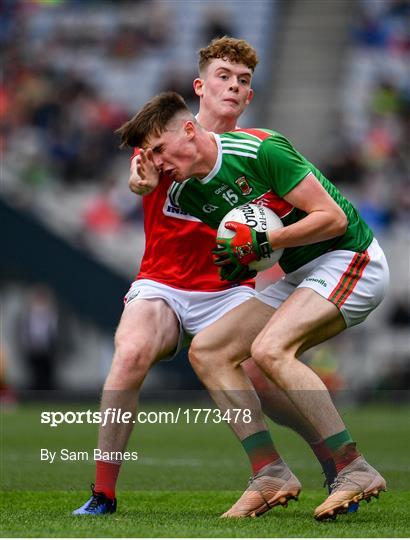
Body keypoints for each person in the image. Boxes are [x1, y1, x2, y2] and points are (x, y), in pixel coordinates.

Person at [74, 37, 337, 517]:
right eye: (223, 77)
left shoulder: (256, 152)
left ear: (249, 96)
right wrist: (137, 183)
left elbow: (277, 221)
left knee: (267, 377)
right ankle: (102, 494)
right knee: (130, 353)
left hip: (228, 288)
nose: (233, 87)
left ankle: (333, 464)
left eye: (242, 81)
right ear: (200, 86)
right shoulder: (165, 133)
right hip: (163, 283)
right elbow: (138, 175)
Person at [116, 91, 389, 521]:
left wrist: (269, 240)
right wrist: (147, 192)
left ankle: (352, 466)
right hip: (302, 273)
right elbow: (245, 253)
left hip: (351, 258)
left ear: (189, 130)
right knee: (208, 351)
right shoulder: (187, 193)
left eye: (158, 150)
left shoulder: (262, 148)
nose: (157, 162)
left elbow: (333, 218)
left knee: (268, 350)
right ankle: (269, 473)